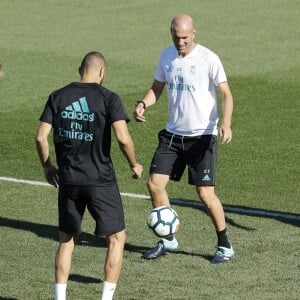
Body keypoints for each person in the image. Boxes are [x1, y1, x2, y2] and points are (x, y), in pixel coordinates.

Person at [36, 51, 143, 300]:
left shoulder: (58, 96)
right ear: (102, 72)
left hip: (68, 179)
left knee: (66, 239)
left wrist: (48, 166)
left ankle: (59, 298)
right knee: (116, 238)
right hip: (100, 180)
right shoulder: (109, 98)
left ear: (79, 69)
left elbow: (41, 136)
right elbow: (123, 138)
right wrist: (134, 164)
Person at [134, 14, 234, 264]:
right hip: (172, 135)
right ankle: (168, 239)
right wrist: (143, 103)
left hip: (202, 137)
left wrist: (226, 122)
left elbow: (226, 93)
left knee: (205, 194)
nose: (180, 42)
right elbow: (157, 88)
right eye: (176, 37)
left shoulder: (209, 59)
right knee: (155, 185)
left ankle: (224, 245)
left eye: (185, 38)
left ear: (194, 34)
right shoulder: (166, 56)